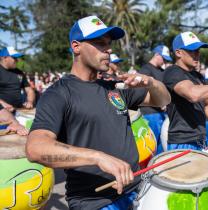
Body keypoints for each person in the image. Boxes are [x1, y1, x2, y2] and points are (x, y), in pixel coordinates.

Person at [26, 15, 170, 210]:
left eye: (109, 44)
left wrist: (152, 83)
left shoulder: (114, 87)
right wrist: (98, 157)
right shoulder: (58, 93)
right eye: (99, 44)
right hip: (95, 202)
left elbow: (163, 100)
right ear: (76, 47)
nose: (108, 50)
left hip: (136, 191)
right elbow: (36, 149)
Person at [163, 31, 208, 151]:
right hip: (182, 142)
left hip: (200, 139)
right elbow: (193, 95)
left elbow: (207, 103)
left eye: (198, 50)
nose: (197, 54)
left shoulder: (197, 76)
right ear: (178, 52)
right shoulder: (172, 72)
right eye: (192, 50)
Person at [139, 45, 172, 154]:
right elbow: (141, 90)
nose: (164, 62)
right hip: (150, 113)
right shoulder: (145, 69)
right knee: (152, 147)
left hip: (161, 114)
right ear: (157, 55)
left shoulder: (161, 71)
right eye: (164, 58)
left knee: (161, 146)